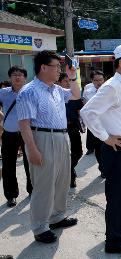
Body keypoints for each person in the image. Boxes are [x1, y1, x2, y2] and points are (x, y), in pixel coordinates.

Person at [80, 44, 121, 254]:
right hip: (118, 147)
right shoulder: (112, 87)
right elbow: (88, 112)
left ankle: (119, 230)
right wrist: (106, 138)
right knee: (117, 195)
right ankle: (115, 241)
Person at [16, 50, 80, 243]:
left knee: (62, 180)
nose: (60, 70)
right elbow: (24, 123)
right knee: (44, 185)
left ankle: (57, 216)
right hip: (42, 138)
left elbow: (76, 95)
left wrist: (73, 76)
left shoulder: (57, 89)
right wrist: (33, 150)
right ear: (43, 67)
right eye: (57, 67)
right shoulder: (29, 91)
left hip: (61, 137)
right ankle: (40, 226)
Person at [0, 66, 32, 207]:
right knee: (8, 165)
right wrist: (3, 120)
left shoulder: (31, 92)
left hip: (28, 133)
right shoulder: (3, 93)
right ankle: (11, 195)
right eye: (14, 75)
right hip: (9, 134)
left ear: (25, 77)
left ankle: (33, 190)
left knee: (30, 164)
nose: (17, 77)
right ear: (10, 77)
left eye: (20, 75)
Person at [58, 73, 84, 188]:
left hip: (73, 126)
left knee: (78, 152)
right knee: (63, 154)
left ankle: (68, 170)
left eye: (70, 80)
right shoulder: (56, 94)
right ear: (59, 82)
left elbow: (80, 109)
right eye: (65, 81)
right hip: (60, 129)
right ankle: (71, 177)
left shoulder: (74, 95)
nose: (68, 83)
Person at [83, 70, 106, 177]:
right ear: (92, 81)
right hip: (95, 125)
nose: (99, 82)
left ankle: (107, 167)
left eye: (101, 80)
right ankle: (102, 167)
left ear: (104, 79)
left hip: (108, 124)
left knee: (107, 148)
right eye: (96, 80)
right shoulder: (88, 92)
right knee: (98, 149)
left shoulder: (109, 90)